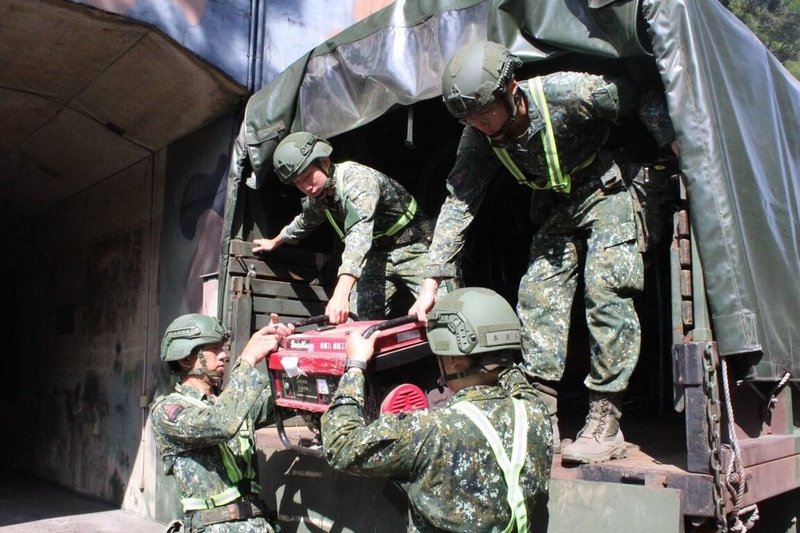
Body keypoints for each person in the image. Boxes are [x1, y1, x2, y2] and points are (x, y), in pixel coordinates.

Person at [411, 41, 677, 464]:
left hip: (606, 192)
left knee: (606, 291)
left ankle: (606, 422)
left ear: (510, 90)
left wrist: (675, 147)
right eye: (469, 118)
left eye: (485, 113)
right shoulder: (478, 136)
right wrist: (431, 280)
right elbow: (460, 200)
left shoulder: (568, 92)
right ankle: (540, 416)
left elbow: (637, 93)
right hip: (557, 207)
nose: (480, 124)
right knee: (537, 298)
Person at [322, 287, 552, 532]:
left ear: (455, 360)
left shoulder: (429, 430)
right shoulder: (535, 412)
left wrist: (355, 364)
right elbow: (511, 375)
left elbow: (341, 445)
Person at [253, 131, 439, 324]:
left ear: (324, 162)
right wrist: (275, 241)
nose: (306, 187)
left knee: (446, 311)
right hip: (376, 256)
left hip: (415, 247)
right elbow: (305, 221)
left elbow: (359, 236)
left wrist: (341, 293)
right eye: (298, 183)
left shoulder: (358, 181)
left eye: (308, 176)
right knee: (354, 322)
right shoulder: (320, 194)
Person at [150, 312, 293, 532]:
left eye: (222, 348)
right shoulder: (168, 411)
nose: (224, 355)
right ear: (186, 359)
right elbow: (220, 423)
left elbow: (286, 400)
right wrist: (248, 360)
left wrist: (285, 354)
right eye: (214, 349)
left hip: (259, 524)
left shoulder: (233, 402)